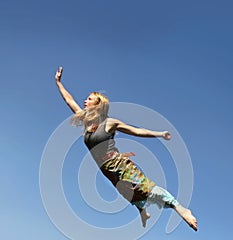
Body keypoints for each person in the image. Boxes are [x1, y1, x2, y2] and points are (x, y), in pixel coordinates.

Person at [55, 66, 197, 231]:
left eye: (89, 98)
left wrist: (159, 134)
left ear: (98, 104)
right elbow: (69, 100)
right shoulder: (86, 121)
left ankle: (181, 209)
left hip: (119, 164)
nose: (85, 101)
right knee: (127, 192)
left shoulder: (110, 123)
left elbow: (137, 131)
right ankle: (143, 211)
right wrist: (58, 82)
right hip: (105, 169)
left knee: (146, 188)